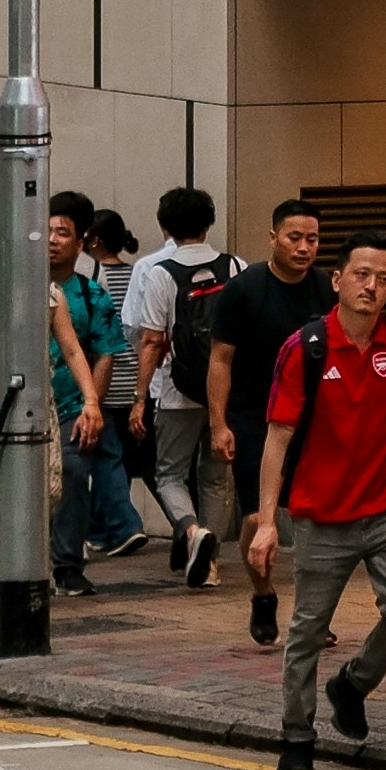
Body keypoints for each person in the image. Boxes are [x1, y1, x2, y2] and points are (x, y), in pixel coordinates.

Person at [250, 237, 386, 770]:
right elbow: (277, 439)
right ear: (337, 280)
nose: (370, 286)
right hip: (320, 515)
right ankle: (297, 737)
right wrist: (266, 522)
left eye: (382, 278)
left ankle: (352, 684)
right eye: (360, 275)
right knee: (308, 628)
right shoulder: (304, 347)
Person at [207, 196, 336, 643]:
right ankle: (263, 593)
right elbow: (221, 360)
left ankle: (314, 614)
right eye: (295, 237)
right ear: (273, 238)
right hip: (254, 420)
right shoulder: (242, 292)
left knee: (315, 522)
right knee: (256, 518)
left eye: (313, 239)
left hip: (315, 422)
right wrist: (218, 424)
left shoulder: (327, 289)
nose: (304, 247)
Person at [127, 186, 235, 587]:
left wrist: (140, 398)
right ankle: (210, 566)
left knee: (170, 474)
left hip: (178, 390)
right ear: (210, 222)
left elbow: (152, 340)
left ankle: (192, 533)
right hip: (226, 388)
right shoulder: (235, 267)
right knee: (216, 476)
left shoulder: (161, 272)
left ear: (165, 227)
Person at [40, 193, 142, 597]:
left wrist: (92, 406)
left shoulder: (90, 294)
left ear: (80, 243)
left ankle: (67, 564)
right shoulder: (16, 286)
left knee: (74, 472)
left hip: (69, 405)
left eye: (62, 232)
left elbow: (104, 355)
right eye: (46, 230)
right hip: (22, 405)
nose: (51, 239)